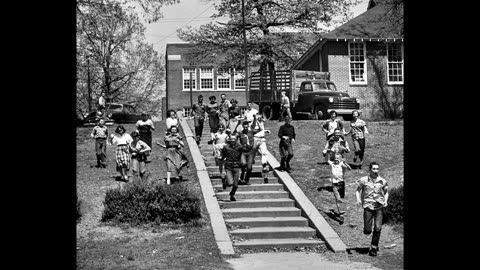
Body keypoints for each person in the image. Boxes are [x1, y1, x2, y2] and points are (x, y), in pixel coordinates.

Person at [355, 162, 389, 257]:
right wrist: (358, 199)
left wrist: (385, 201)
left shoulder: (382, 181)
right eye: (374, 169)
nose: (375, 171)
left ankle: (374, 248)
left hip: (379, 206)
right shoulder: (364, 180)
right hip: (368, 207)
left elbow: (386, 192)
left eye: (377, 169)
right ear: (369, 170)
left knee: (378, 228)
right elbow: (358, 190)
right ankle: (367, 230)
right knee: (367, 230)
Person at [220, 134, 248, 201]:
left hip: (236, 167)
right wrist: (220, 158)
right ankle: (225, 181)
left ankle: (232, 194)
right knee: (230, 183)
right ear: (229, 139)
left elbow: (247, 149)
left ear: (236, 139)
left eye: (234, 139)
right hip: (228, 166)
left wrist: (246, 142)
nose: (232, 140)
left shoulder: (239, 147)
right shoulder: (226, 147)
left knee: (235, 185)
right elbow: (222, 156)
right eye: (231, 139)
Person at [251, 113, 271, 179]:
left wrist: (266, 131)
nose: (259, 118)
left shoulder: (262, 123)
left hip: (262, 139)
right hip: (255, 138)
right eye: (258, 117)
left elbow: (262, 130)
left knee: (264, 152)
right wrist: (255, 119)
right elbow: (253, 127)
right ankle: (249, 164)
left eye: (260, 117)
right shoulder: (254, 122)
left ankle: (264, 164)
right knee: (253, 153)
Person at [237, 120, 255, 185]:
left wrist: (256, 119)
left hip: (250, 152)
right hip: (243, 152)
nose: (245, 128)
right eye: (244, 127)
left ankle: (247, 180)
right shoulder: (240, 133)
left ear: (248, 127)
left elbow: (260, 129)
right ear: (242, 127)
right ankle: (243, 171)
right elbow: (237, 141)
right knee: (243, 163)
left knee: (249, 167)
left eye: (246, 127)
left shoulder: (251, 132)